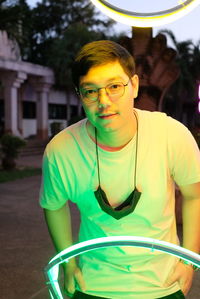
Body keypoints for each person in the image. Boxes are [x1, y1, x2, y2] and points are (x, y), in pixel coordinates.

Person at [39, 40, 200, 299]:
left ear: (134, 85)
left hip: (163, 284)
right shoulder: (61, 150)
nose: (104, 101)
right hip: (92, 284)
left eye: (115, 86)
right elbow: (53, 204)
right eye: (91, 91)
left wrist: (189, 261)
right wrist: (69, 264)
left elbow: (195, 194)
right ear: (80, 95)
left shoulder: (171, 135)